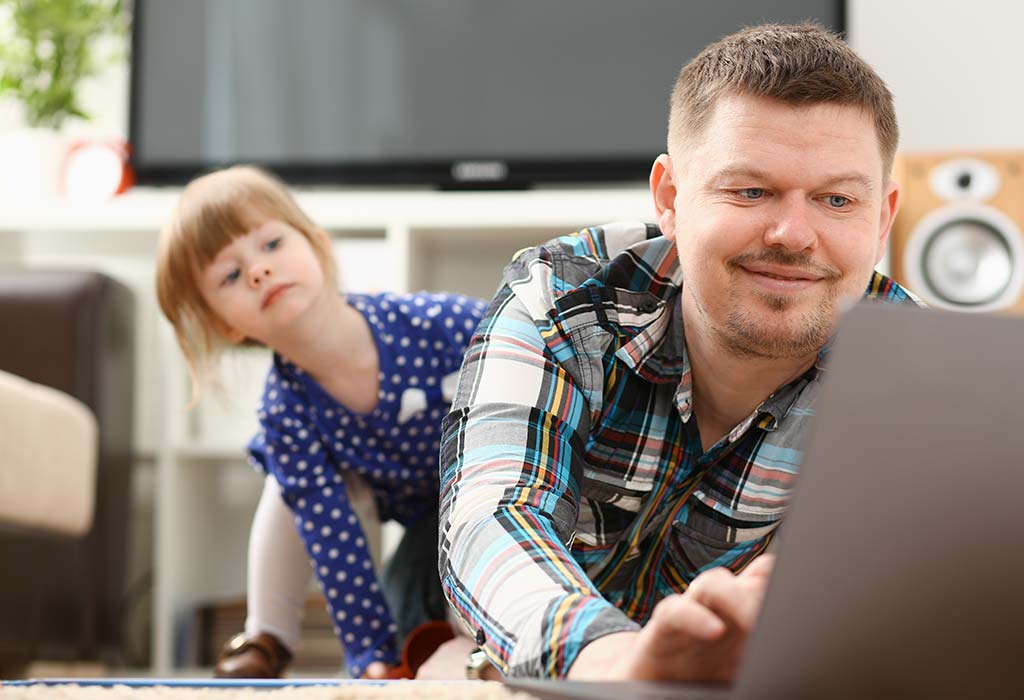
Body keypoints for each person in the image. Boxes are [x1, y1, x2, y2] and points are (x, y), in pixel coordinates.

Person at [432, 23, 924, 682]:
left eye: (837, 200)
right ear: (670, 198)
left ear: (883, 217)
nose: (793, 234)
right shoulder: (563, 303)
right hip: (536, 652)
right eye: (750, 191)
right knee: (443, 668)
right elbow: (494, 516)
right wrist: (617, 660)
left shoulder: (915, 377)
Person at [154, 165, 487, 679]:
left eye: (270, 245)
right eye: (230, 275)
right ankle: (268, 633)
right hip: (407, 504)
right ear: (223, 323)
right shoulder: (286, 411)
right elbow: (330, 534)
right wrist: (370, 656)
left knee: (462, 584)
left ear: (317, 246)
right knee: (289, 484)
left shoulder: (440, 325)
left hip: (490, 489)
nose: (258, 271)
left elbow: (529, 373)